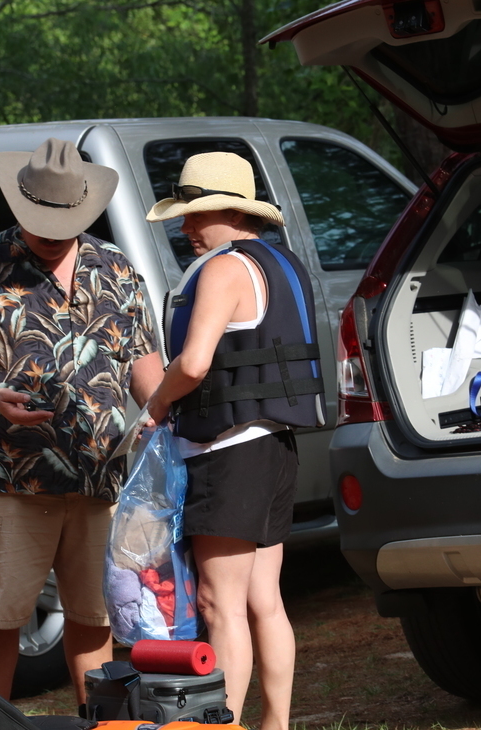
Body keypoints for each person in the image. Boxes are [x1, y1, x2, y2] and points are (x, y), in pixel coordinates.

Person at [0, 137, 163, 704]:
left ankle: (95, 719)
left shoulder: (115, 267)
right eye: (39, 222)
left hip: (99, 479)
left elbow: (142, 358)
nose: (50, 234)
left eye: (62, 224)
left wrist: (158, 412)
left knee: (94, 612)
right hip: (10, 478)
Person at [142, 152, 325, 730]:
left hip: (227, 452)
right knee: (263, 599)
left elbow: (193, 365)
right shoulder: (280, 263)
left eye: (196, 215)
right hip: (273, 447)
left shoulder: (225, 270)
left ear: (231, 211)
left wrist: (158, 400)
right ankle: (277, 724)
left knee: (220, 604)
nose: (185, 226)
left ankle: (222, 726)